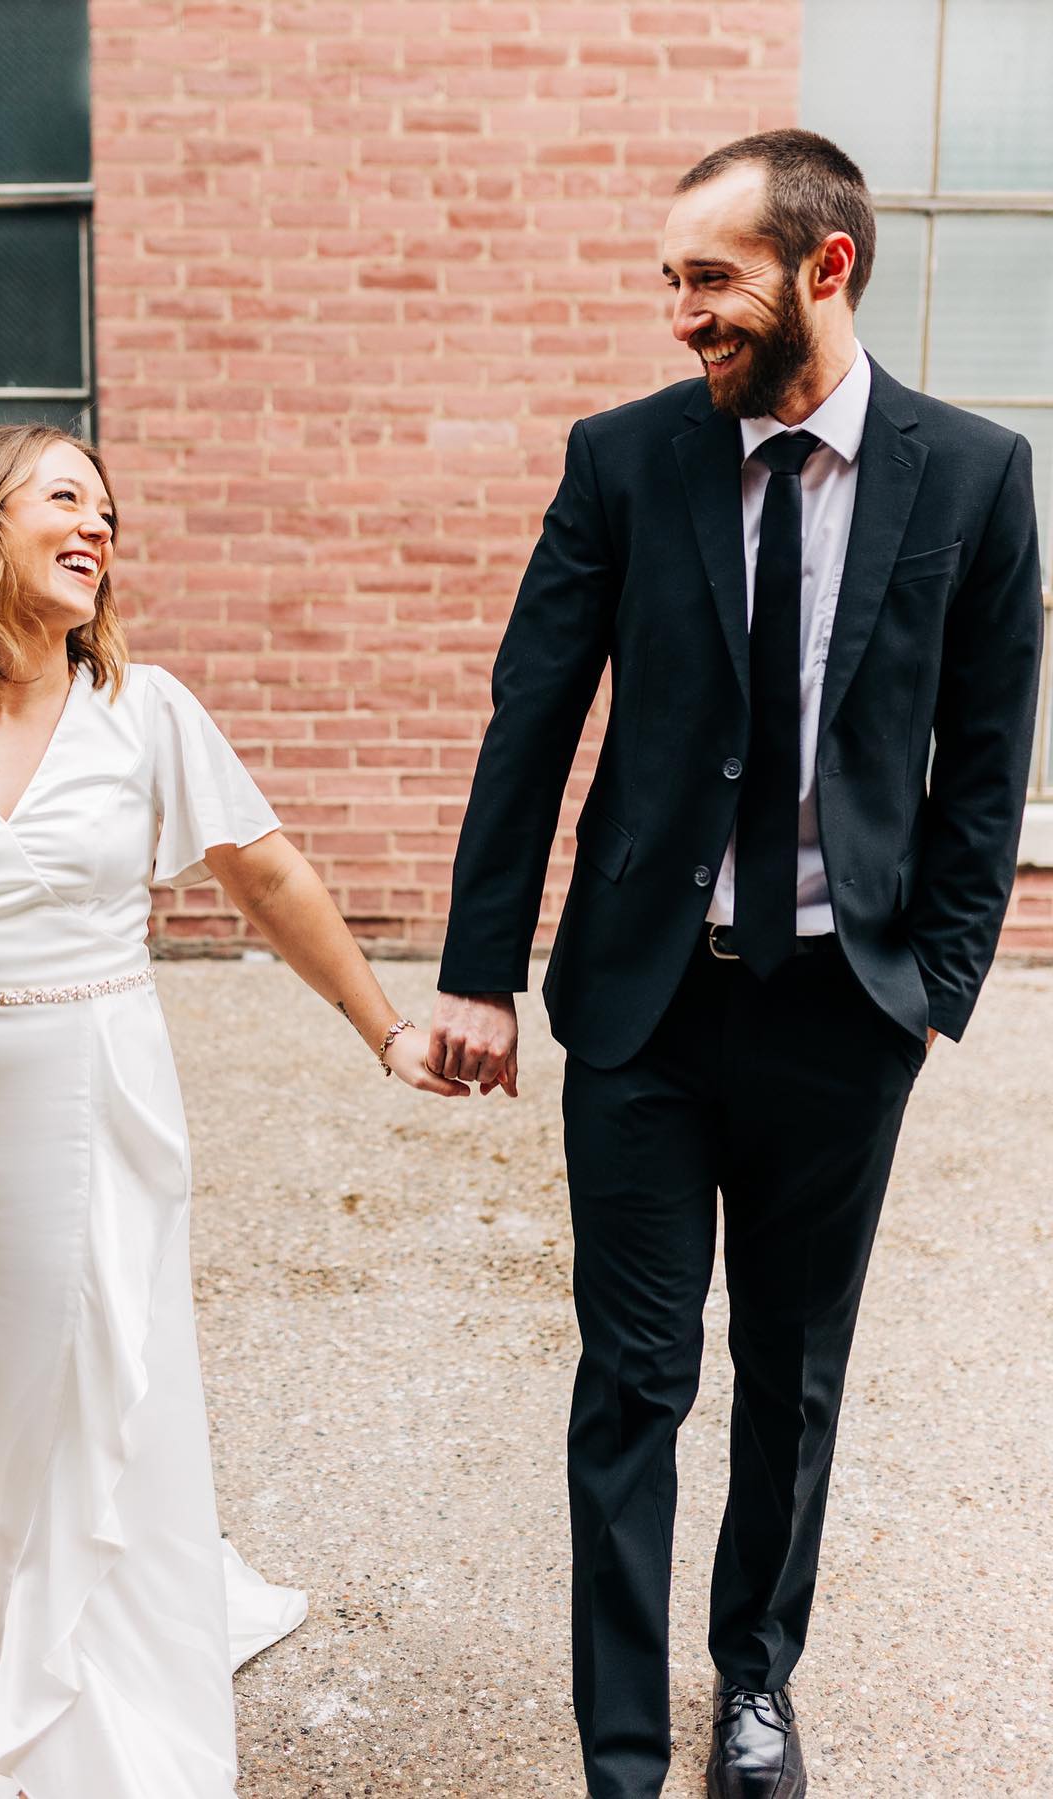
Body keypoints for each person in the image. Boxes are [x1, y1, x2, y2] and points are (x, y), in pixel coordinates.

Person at [427, 129, 1043, 1799]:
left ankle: (752, 1682)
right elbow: (531, 716)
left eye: (711, 280)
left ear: (822, 268)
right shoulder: (626, 460)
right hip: (644, 1004)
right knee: (633, 1381)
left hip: (846, 1011)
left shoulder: (975, 476)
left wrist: (941, 986)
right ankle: (622, 1756)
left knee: (793, 1372)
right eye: (673, 282)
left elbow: (987, 757)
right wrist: (479, 966)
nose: (683, 315)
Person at [0, 422, 466, 1799]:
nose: (99, 524)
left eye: (108, 509)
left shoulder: (144, 709)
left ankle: (112, 1678)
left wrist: (384, 1030)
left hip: (99, 1090)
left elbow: (266, 877)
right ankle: (23, 1603)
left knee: (107, 1373)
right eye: (64, 499)